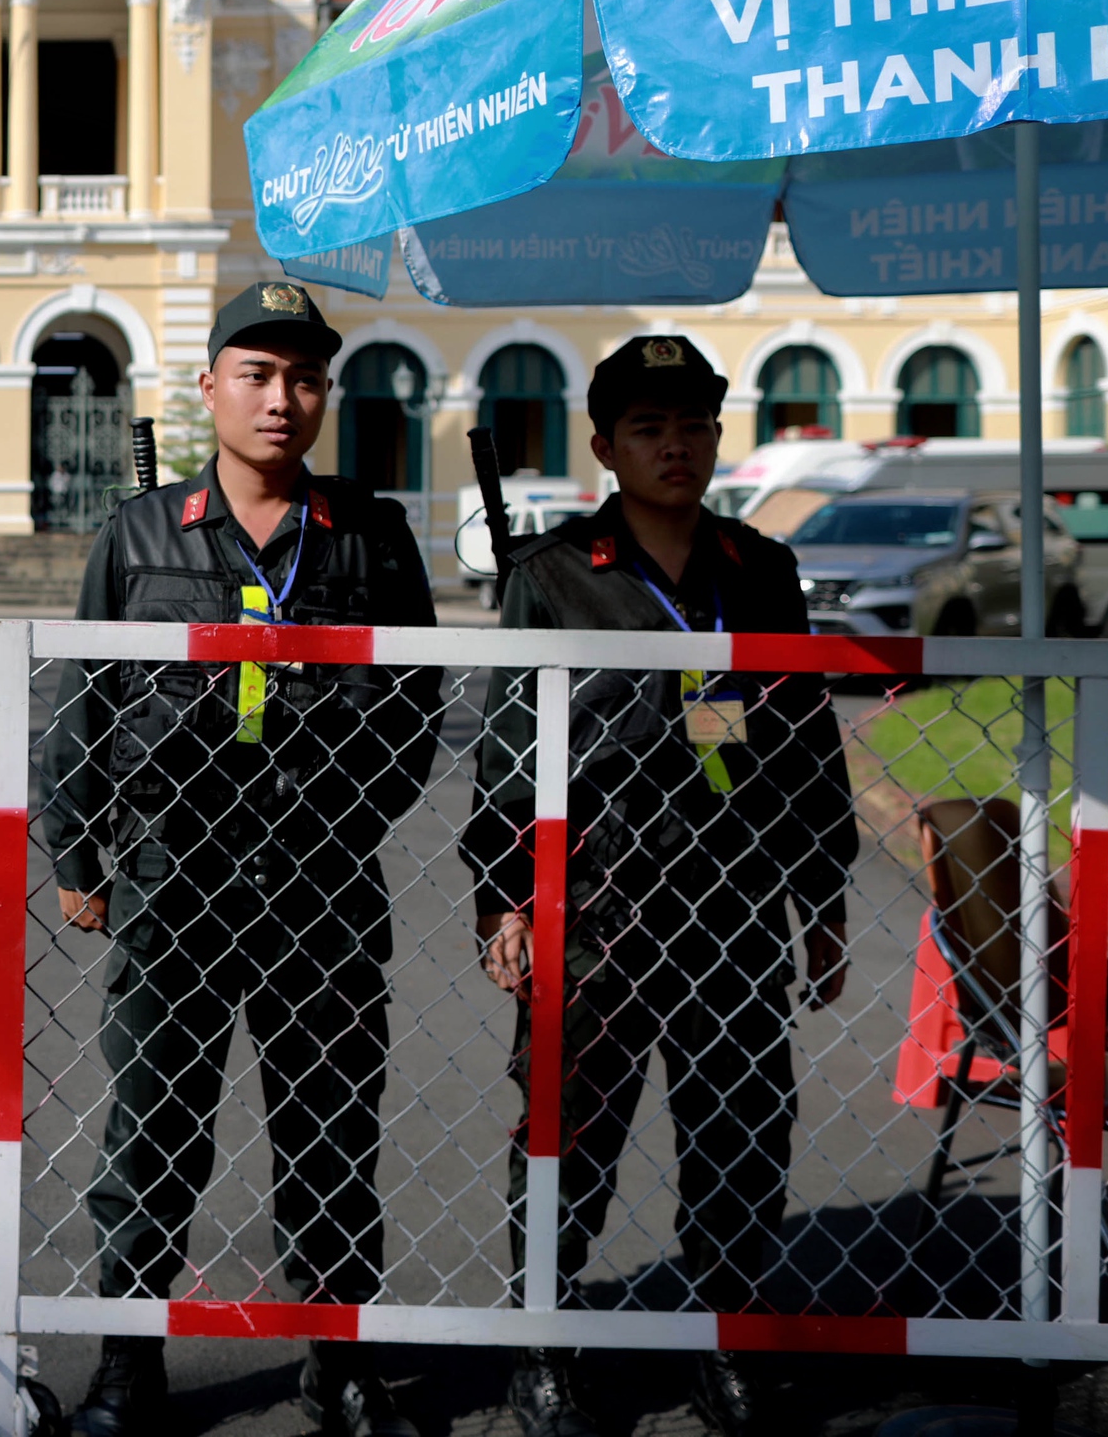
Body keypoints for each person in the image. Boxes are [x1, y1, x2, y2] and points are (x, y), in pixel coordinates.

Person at [37, 280, 445, 1437]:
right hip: (177, 878)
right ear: (210, 386)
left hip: (323, 881)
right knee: (154, 1128)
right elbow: (89, 695)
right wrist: (78, 842)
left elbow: (416, 709)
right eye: (258, 375)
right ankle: (130, 1363)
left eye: (305, 377)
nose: (282, 399)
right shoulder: (141, 531)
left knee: (330, 1130)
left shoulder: (369, 534)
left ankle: (340, 1359)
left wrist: (348, 814)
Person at [458, 334, 855, 1437]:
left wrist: (819, 900)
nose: (673, 446)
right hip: (593, 904)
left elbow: (806, 745)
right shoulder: (551, 576)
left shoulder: (758, 573)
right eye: (646, 428)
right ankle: (544, 1340)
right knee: (565, 1132)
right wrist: (500, 896)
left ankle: (726, 1335)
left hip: (732, 904)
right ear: (604, 446)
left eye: (691, 426)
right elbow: (504, 746)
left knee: (738, 1131)